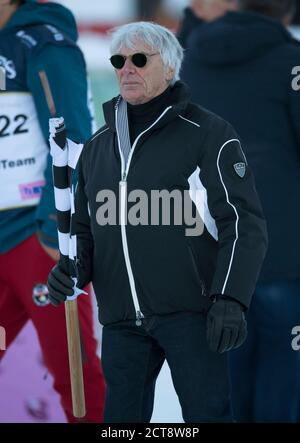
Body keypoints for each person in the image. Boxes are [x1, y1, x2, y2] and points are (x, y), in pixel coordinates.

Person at [47, 21, 268, 423]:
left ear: (169, 68)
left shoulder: (207, 134)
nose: (126, 68)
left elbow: (244, 222)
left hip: (192, 315)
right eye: (119, 60)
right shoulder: (97, 148)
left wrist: (231, 298)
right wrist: (72, 272)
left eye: (139, 59)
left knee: (208, 416)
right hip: (121, 322)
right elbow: (84, 231)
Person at [179, 0, 300, 422]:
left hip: (214, 259)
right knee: (282, 392)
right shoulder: (289, 62)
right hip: (285, 258)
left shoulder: (190, 61)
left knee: (224, 392)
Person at [0, 0, 105, 423]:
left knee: (74, 377)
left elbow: (74, 138)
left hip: (37, 240)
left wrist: (54, 230)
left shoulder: (45, 44)